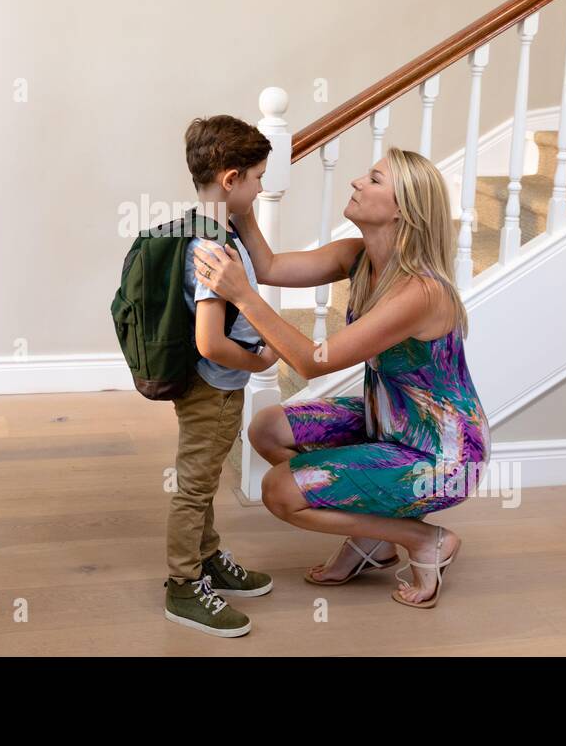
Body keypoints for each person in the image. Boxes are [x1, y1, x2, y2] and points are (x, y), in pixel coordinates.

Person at [192, 145, 490, 609]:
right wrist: (242, 207)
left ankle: (423, 540)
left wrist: (244, 297)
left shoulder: (421, 293)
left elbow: (314, 360)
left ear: (401, 211)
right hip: (386, 421)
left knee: (280, 492)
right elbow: (271, 267)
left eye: (373, 180)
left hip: (441, 453)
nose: (356, 182)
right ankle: (374, 539)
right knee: (267, 427)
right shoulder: (357, 257)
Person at [163, 115, 279, 637]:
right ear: (231, 179)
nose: (262, 187)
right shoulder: (212, 250)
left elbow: (269, 265)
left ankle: (207, 558)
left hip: (216, 385)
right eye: (256, 177)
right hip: (213, 385)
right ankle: (183, 587)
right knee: (194, 488)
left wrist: (246, 213)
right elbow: (210, 341)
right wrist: (258, 363)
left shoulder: (217, 227)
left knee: (205, 479)